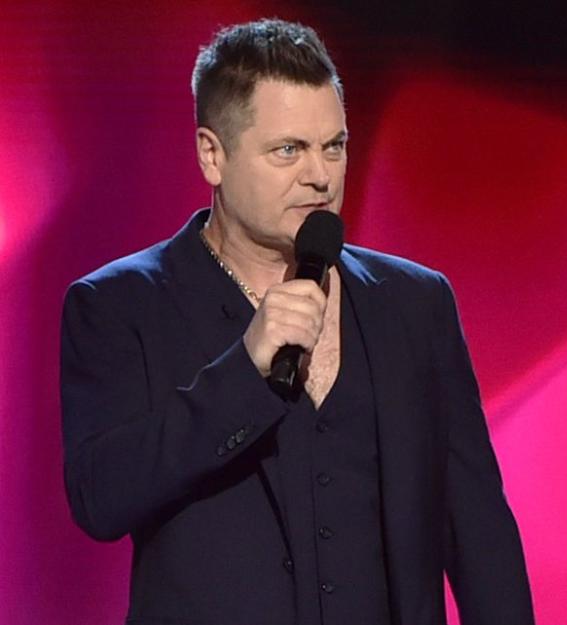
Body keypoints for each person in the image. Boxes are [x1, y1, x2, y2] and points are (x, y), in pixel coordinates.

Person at [60, 19, 534, 625]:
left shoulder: (414, 304)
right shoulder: (120, 305)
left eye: (333, 146)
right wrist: (243, 370)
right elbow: (101, 499)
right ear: (213, 154)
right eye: (289, 150)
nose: (320, 175)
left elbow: (479, 532)